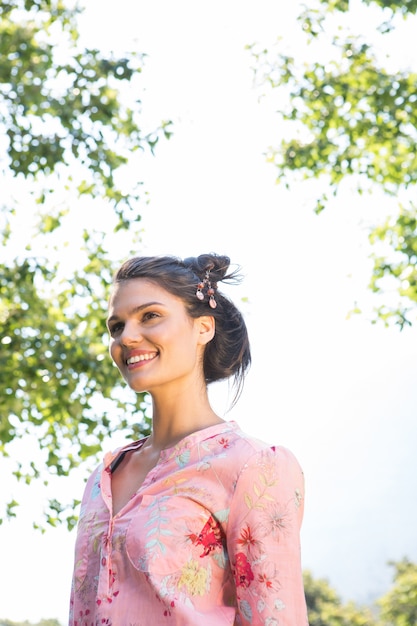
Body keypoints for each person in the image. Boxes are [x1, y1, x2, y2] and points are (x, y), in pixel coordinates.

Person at [69, 253, 309, 625]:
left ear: (203, 329)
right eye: (116, 327)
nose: (127, 337)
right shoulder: (103, 478)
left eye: (149, 316)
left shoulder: (253, 467)